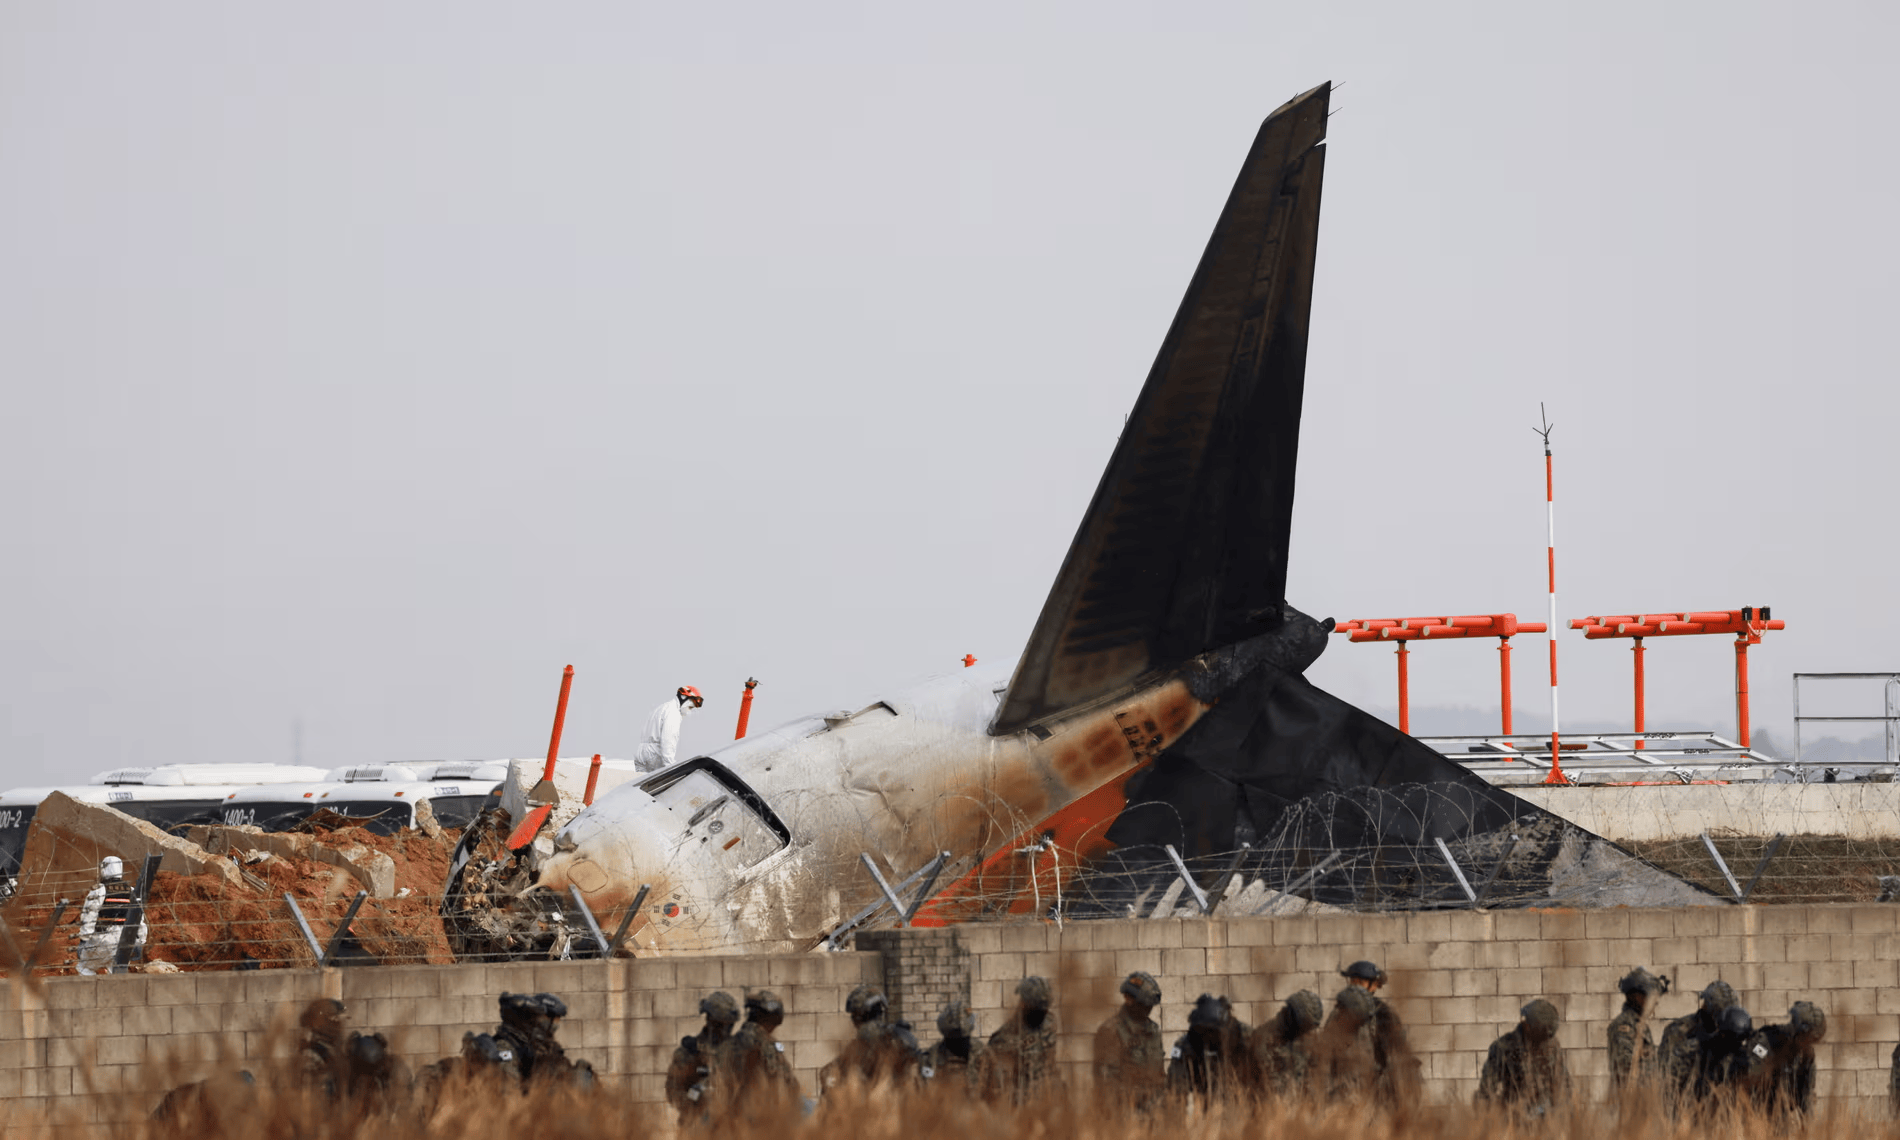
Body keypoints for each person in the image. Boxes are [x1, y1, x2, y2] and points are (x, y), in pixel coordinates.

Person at [1332, 959, 1420, 1108]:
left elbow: (1399, 1056)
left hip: (1374, 1094)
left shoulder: (1383, 1013)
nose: (1354, 985)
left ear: (1372, 985)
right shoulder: (1339, 1013)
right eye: (1352, 981)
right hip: (1346, 1094)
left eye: (1359, 981)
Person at [714, 990, 802, 1122]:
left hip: (731, 1118)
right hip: (761, 1118)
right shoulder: (768, 1044)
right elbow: (789, 1083)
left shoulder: (726, 1045)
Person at [1475, 999, 1572, 1118]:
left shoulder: (1552, 1045)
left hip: (1549, 1118)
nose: (1547, 1040)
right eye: (1543, 1033)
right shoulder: (1504, 1048)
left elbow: (1564, 1084)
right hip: (1515, 1117)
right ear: (1527, 1026)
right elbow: (1486, 1092)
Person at [974, 976, 1060, 1106]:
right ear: (1024, 1003)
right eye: (1037, 1007)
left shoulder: (1049, 1023)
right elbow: (996, 1091)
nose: (1043, 1012)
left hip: (1049, 1104)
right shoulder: (1003, 1040)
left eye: (1045, 1007)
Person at [820, 984, 917, 1092]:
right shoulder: (857, 1046)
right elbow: (830, 1073)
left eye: (855, 1015)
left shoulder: (896, 1038)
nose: (853, 1021)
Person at [1741, 1002, 1825, 1122]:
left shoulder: (1806, 1056)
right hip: (1754, 1113)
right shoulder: (1765, 1042)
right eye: (1808, 1038)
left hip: (1781, 1116)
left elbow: (1806, 1096)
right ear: (1799, 1032)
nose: (1810, 1044)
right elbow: (1747, 1080)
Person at [1092, 971, 1164, 1111]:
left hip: (1155, 1114)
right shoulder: (1111, 1031)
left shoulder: (1153, 1030)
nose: (1148, 1010)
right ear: (1128, 999)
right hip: (1126, 1115)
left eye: (1150, 1006)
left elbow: (1159, 1074)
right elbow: (1107, 1085)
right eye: (1144, 1004)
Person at [492, 992, 593, 1089]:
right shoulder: (506, 1045)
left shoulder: (542, 1044)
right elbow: (509, 1088)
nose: (556, 1024)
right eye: (534, 1017)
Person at [668, 991, 740, 1124]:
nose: (727, 1030)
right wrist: (694, 1101)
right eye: (722, 1024)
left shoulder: (737, 1052)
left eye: (730, 1025)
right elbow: (673, 1092)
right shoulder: (689, 1051)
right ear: (710, 1021)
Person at [1167, 994, 1253, 1103]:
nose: (1209, 1038)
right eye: (1205, 1033)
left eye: (1213, 1033)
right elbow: (1176, 1090)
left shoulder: (1246, 1038)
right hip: (1207, 1103)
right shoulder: (1185, 1045)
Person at [1659, 979, 1736, 1102]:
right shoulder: (1679, 1030)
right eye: (1721, 1010)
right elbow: (1665, 1072)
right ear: (1709, 1006)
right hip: (1684, 1106)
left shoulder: (1728, 1033)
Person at [1251, 990, 1324, 1102]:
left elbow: (1315, 1076)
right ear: (1292, 1017)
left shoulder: (1307, 1038)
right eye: (1305, 1027)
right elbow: (1271, 1087)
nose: (1307, 1032)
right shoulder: (1263, 1039)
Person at [75, 855, 143, 975]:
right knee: (116, 973)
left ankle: (90, 992)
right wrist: (140, 940)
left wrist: (84, 938)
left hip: (103, 938)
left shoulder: (99, 890)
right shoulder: (132, 891)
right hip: (125, 939)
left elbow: (89, 915)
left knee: (85, 967)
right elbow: (138, 918)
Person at [1607, 967, 1667, 1094]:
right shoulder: (1624, 1026)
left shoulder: (1639, 1025)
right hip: (1632, 1104)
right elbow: (1627, 1072)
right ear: (1638, 997)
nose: (1655, 1002)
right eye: (1651, 996)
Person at [1316, 986, 1379, 1102]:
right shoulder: (1334, 1027)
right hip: (1342, 1097)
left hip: (1366, 1092)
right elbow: (1323, 1066)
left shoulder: (1366, 1025)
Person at [635, 685, 704, 773]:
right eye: (690, 707)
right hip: (655, 755)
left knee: (639, 783)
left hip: (641, 753)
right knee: (660, 784)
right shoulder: (673, 713)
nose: (689, 712)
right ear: (684, 699)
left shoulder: (663, 707)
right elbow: (668, 740)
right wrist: (671, 767)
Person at [922, 1000, 983, 1090]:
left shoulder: (982, 1054)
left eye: (962, 1039)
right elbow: (925, 1086)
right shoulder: (932, 1058)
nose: (959, 1044)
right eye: (954, 1040)